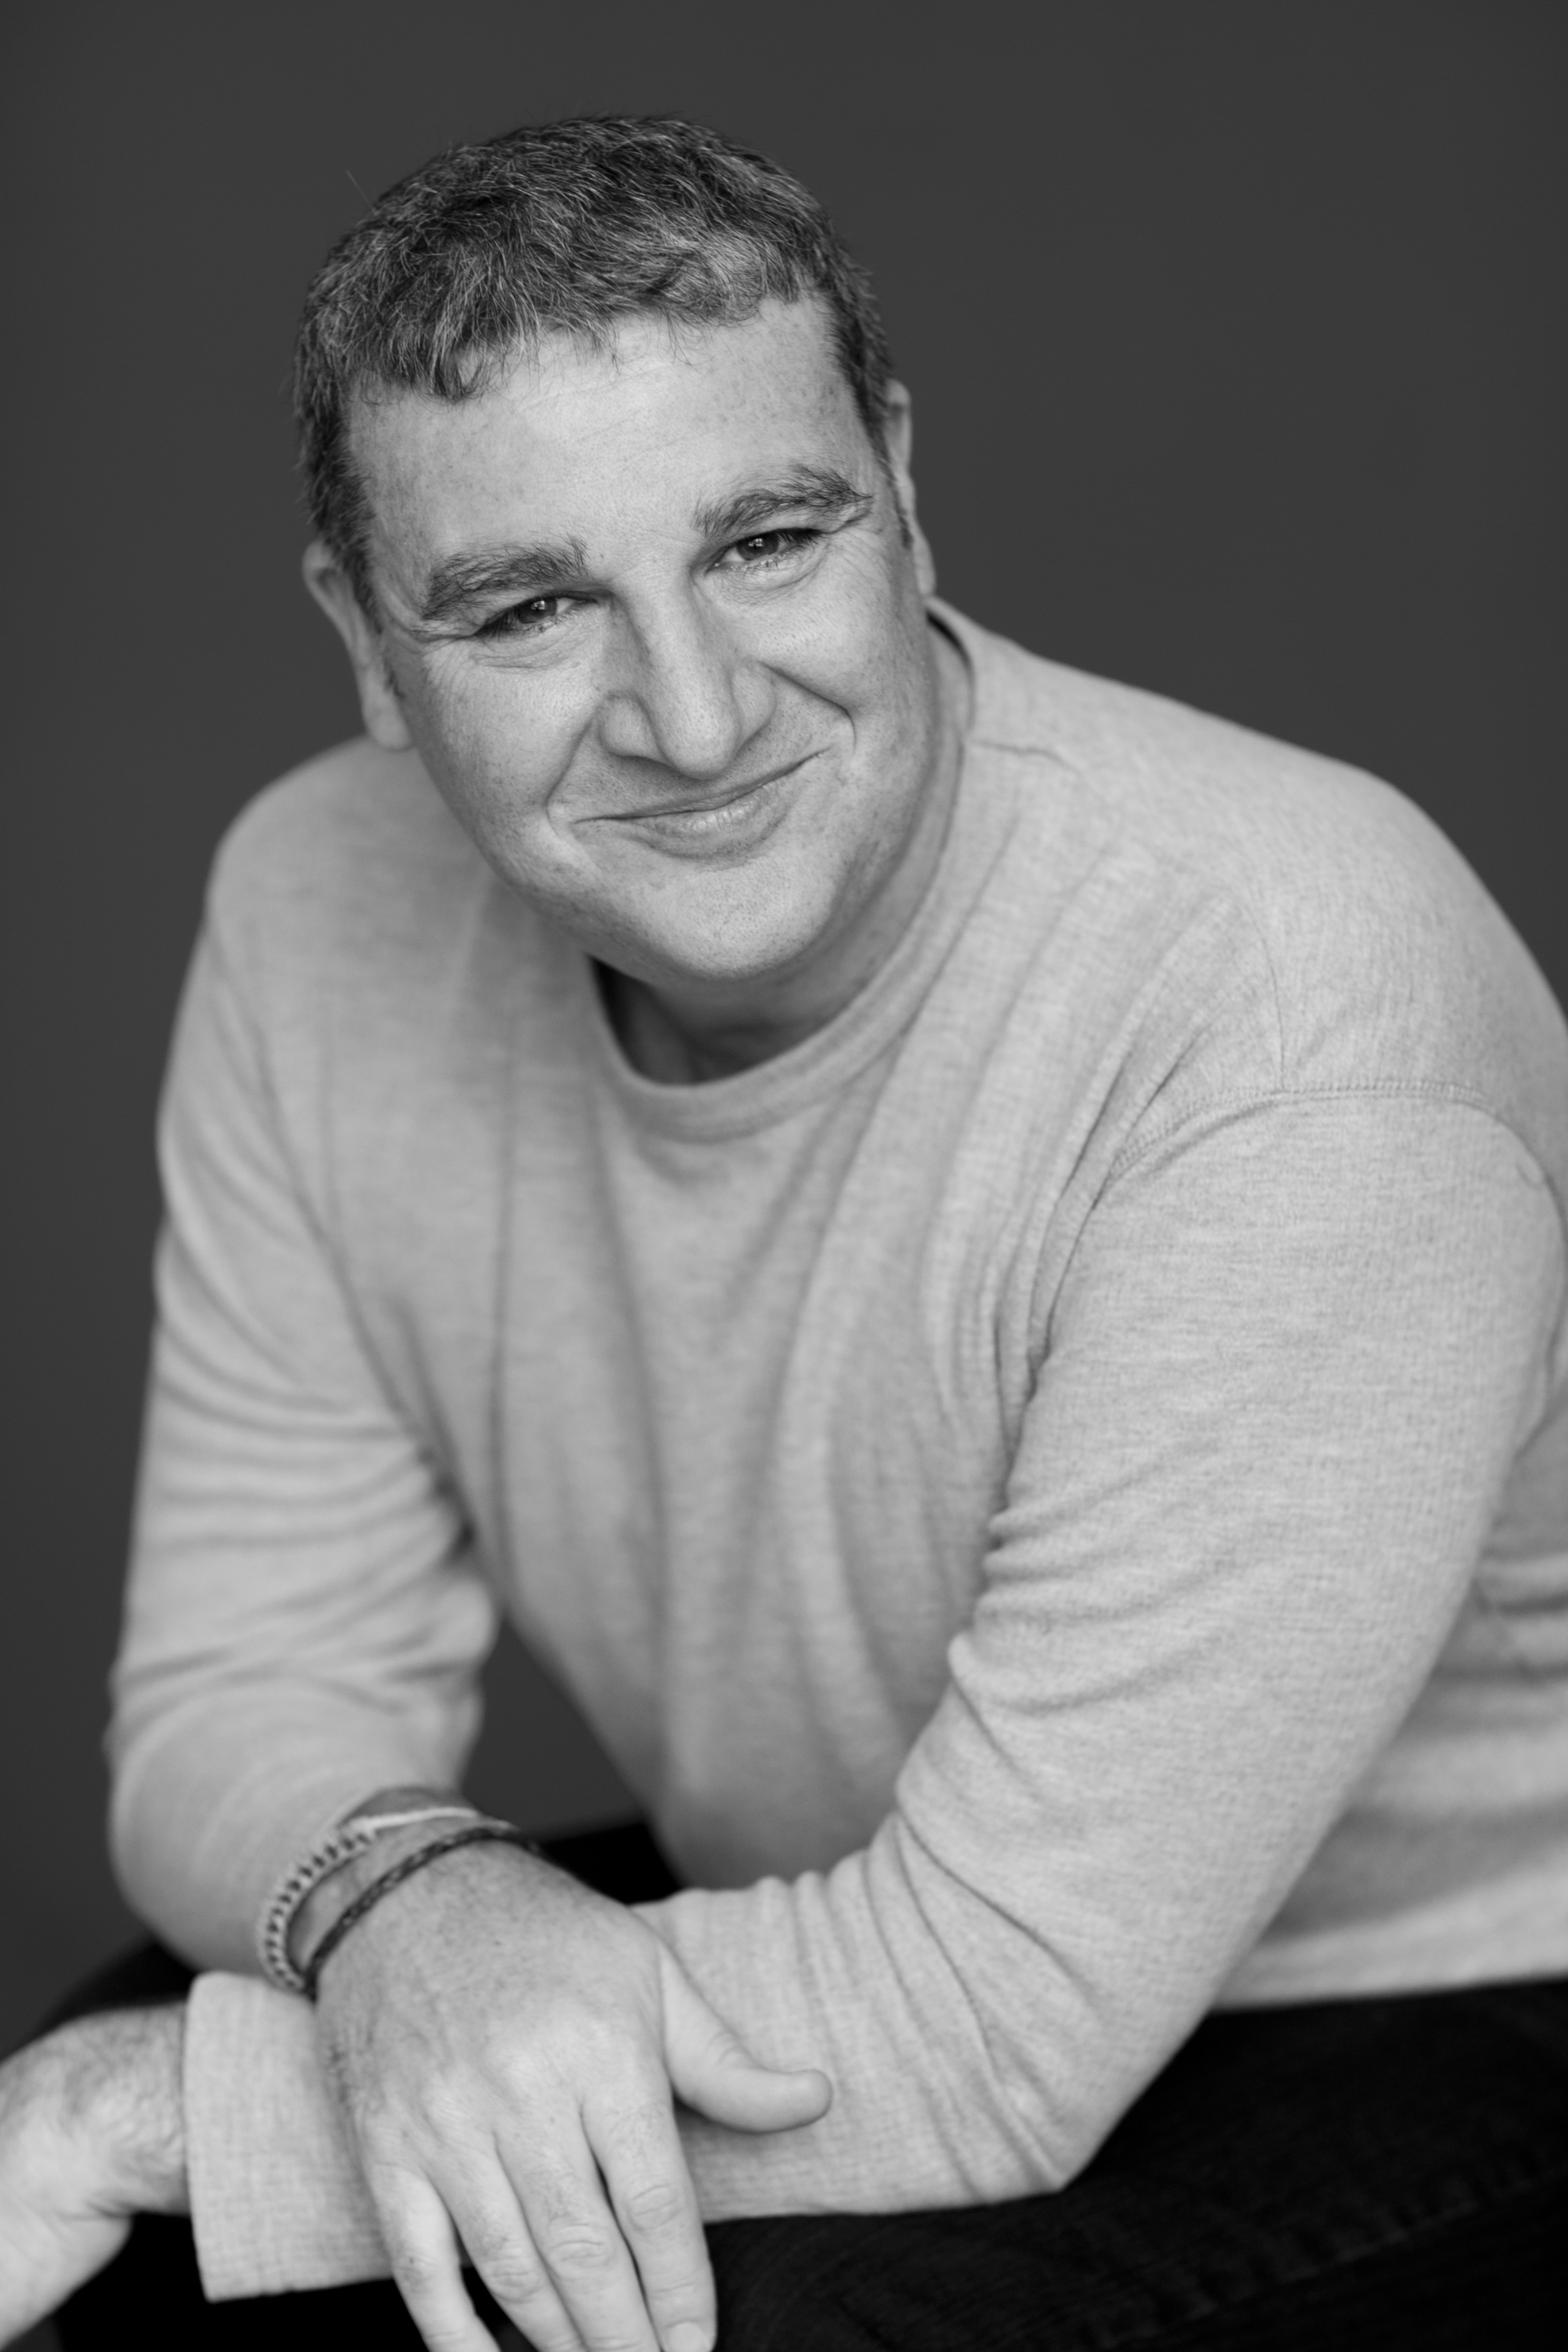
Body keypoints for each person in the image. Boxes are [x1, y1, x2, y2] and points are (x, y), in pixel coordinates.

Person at [5, 110, 1568, 2351]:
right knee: (218, 2219)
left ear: (902, 486)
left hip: (1451, 1987)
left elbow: (991, 2027)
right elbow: (238, 1698)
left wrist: (134, 2120)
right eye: (530, 606)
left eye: (764, 541)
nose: (698, 714)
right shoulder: (315, 905)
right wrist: (405, 1897)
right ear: (363, 638)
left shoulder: (1301, 1019)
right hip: (875, 1900)